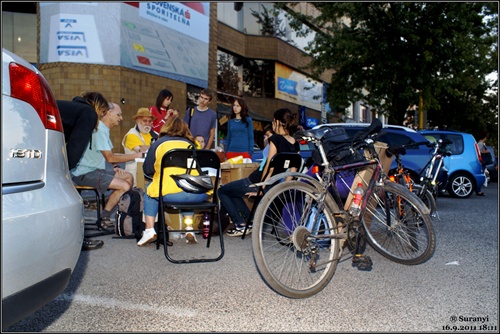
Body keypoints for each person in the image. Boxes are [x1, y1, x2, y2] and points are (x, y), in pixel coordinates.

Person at [218, 108, 300, 237]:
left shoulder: (275, 139)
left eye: (273, 121)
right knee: (233, 192)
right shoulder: (295, 144)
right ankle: (250, 222)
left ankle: (240, 224)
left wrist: (262, 187)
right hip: (273, 184)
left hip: (256, 180)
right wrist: (276, 188)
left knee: (222, 191)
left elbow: (269, 166)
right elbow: (293, 171)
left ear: (277, 122)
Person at [71, 102, 146, 229]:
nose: (121, 118)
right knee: (124, 185)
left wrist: (115, 166)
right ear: (108, 113)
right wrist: (137, 155)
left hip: (96, 170)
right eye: (118, 114)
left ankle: (110, 206)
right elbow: (110, 157)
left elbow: (108, 154)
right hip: (85, 173)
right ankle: (104, 217)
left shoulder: (104, 129)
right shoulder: (100, 130)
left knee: (128, 177)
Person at [138, 116, 208, 246]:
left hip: (171, 194)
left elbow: (147, 170)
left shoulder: (158, 144)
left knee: (150, 191)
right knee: (186, 185)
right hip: (197, 194)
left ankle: (149, 230)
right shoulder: (191, 145)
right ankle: (189, 229)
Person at [57, 91, 110, 251]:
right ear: (98, 107)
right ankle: (76, 241)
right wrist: (64, 173)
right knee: (71, 200)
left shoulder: (74, 109)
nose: (101, 117)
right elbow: (75, 146)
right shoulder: (88, 114)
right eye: (103, 113)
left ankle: (68, 239)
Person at [122, 107, 158, 186]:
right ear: (137, 121)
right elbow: (143, 150)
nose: (148, 124)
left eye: (150, 121)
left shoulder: (155, 134)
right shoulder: (131, 135)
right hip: (135, 175)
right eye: (144, 121)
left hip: (150, 174)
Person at [476, 131, 490, 196]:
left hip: (482, 162)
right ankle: (478, 190)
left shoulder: (480, 143)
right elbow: (479, 152)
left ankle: (478, 190)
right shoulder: (480, 144)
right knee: (481, 175)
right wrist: (486, 151)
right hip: (482, 162)